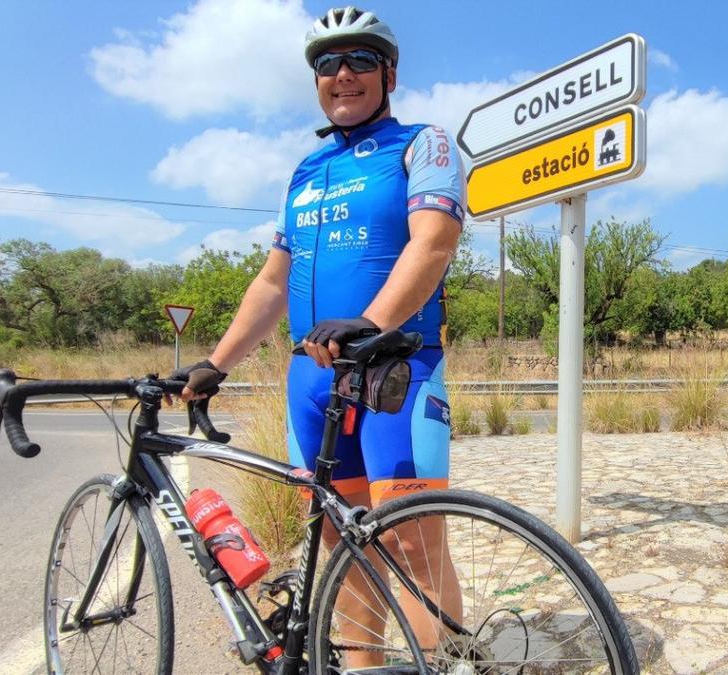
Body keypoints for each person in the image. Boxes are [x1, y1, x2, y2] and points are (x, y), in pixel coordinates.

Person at [173, 6, 465, 667]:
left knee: (414, 539)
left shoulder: (422, 143)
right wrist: (215, 362)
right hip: (312, 378)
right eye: (327, 64)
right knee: (341, 537)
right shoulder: (306, 172)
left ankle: (442, 662)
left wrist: (372, 321)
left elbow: (435, 240)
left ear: (389, 73)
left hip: (397, 370)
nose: (343, 74)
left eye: (360, 60)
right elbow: (273, 282)